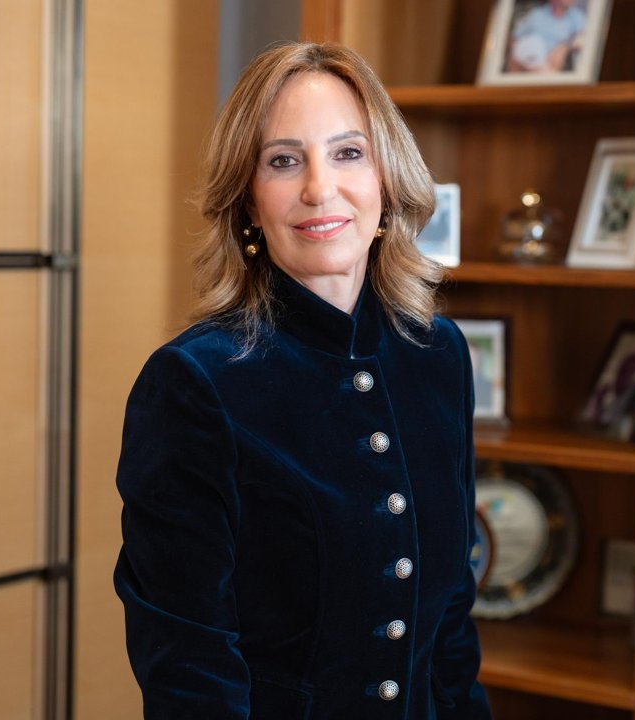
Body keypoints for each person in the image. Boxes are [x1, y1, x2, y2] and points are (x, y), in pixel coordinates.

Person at [113, 43, 492, 718]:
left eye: (349, 153)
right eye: (283, 161)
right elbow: (189, 666)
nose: (320, 188)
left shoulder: (438, 354)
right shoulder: (194, 384)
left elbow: (451, 627)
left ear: (386, 179)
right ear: (249, 203)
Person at [504, 0, 587, 73]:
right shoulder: (536, 15)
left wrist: (565, 47)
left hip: (554, 61)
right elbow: (514, 37)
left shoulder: (577, 16)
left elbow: (583, 38)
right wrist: (519, 52)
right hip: (531, 59)